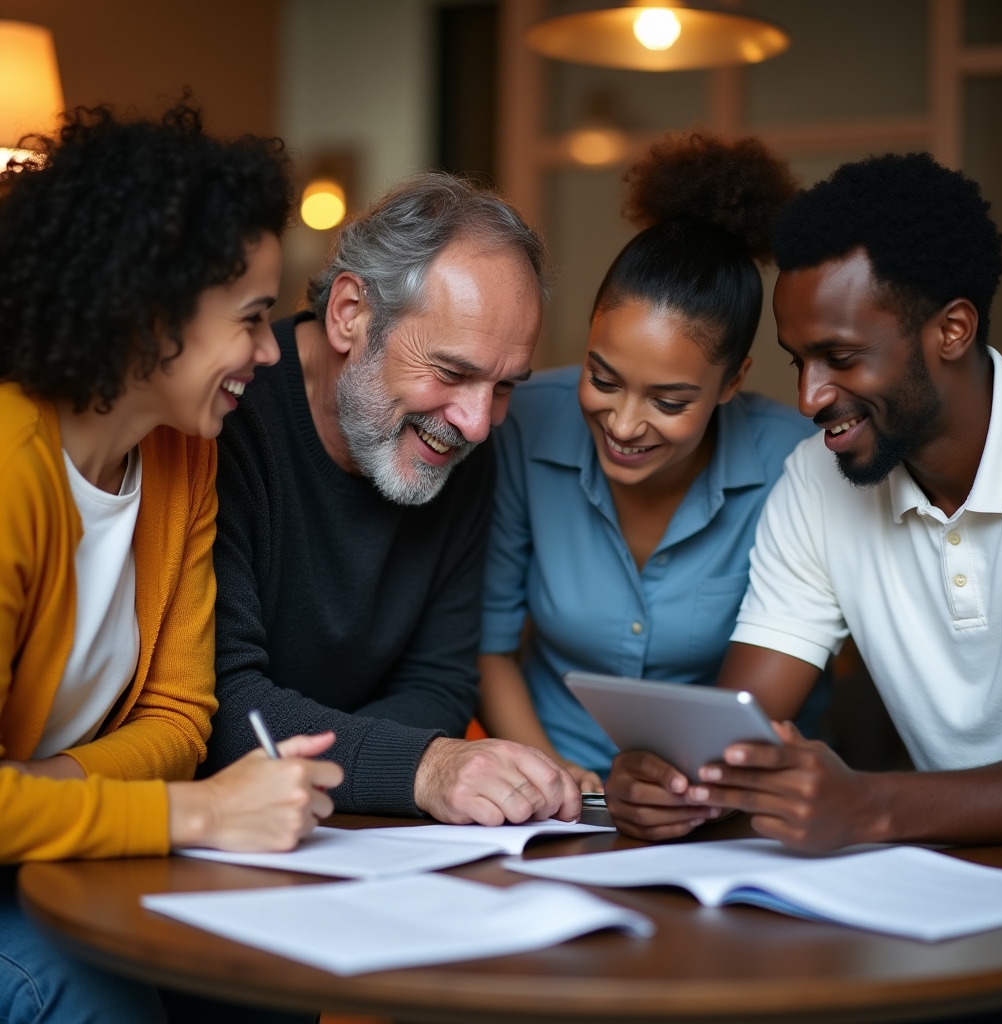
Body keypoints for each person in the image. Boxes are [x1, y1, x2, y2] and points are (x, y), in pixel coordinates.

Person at [0, 103, 342, 1024]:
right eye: (254, 319)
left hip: (54, 849)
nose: (270, 354)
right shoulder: (7, 469)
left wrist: (39, 792)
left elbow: (182, 716)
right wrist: (197, 815)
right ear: (149, 318)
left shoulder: (184, 451)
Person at [605, 151, 1002, 852]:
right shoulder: (816, 481)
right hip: (952, 889)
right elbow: (737, 736)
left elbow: (871, 806)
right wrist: (672, 783)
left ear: (951, 329)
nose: (809, 398)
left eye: (842, 357)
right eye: (799, 361)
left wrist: (876, 806)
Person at [205, 173, 581, 825]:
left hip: (350, 833)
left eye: (504, 387)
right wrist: (421, 766)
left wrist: (376, 767)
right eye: (453, 373)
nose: (477, 422)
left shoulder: (465, 442)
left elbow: (438, 683)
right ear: (351, 314)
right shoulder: (224, 419)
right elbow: (218, 705)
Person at [476, 133, 816, 793]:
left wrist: (682, 794)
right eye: (603, 379)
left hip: (720, 797)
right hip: (554, 790)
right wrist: (556, 777)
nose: (625, 424)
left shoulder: (791, 464)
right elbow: (488, 648)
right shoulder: (524, 422)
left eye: (668, 400)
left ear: (731, 381)